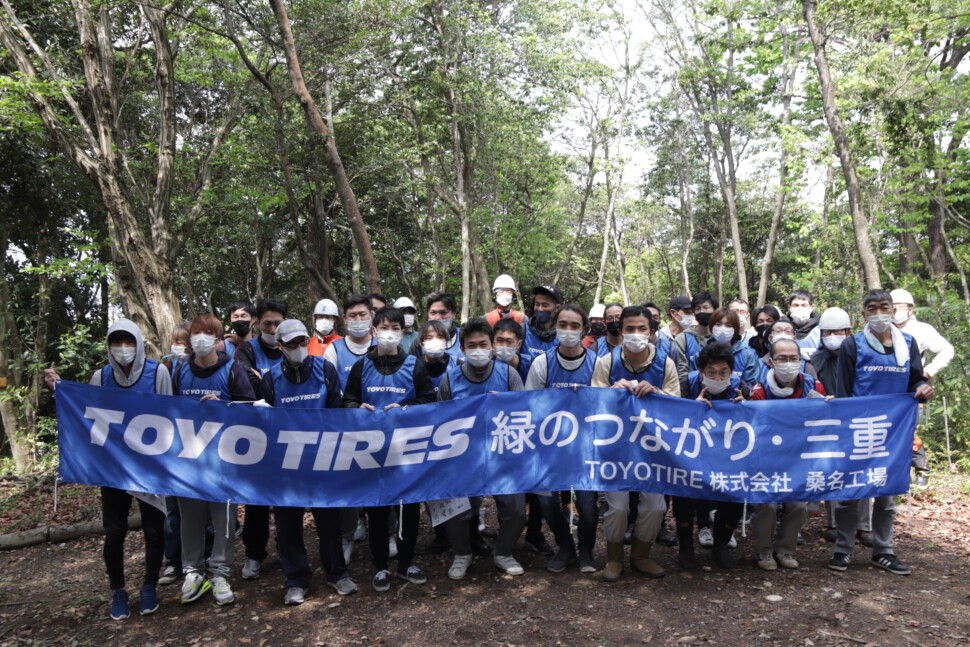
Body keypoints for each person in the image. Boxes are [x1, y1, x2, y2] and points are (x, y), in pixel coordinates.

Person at [44, 319, 171, 620]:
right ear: (109, 345)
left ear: (139, 343)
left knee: (154, 530)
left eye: (129, 341)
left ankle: (150, 586)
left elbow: (172, 414)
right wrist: (59, 390)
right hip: (113, 468)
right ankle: (118, 590)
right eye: (117, 341)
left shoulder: (158, 373)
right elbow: (84, 416)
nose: (123, 348)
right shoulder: (100, 377)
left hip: (150, 467)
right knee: (115, 532)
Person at [828, 289, 934, 576]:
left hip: (894, 433)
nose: (879, 314)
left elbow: (915, 381)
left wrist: (923, 390)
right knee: (851, 492)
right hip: (859, 430)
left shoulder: (908, 343)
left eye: (884, 307)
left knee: (888, 494)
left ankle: (883, 551)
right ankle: (843, 548)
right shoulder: (853, 345)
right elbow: (844, 391)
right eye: (872, 308)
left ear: (894, 309)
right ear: (863, 313)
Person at [259, 319, 357, 604]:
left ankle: (338, 573)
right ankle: (296, 579)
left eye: (302, 341)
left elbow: (336, 413)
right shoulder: (270, 379)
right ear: (280, 347)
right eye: (291, 344)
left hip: (322, 460)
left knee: (329, 521)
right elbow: (265, 423)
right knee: (288, 524)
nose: (299, 348)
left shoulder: (324, 369)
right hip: (286, 465)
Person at [342, 307, 436, 592]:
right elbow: (347, 400)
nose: (388, 332)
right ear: (374, 330)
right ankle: (380, 566)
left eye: (394, 327)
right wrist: (358, 408)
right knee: (377, 510)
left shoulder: (414, 364)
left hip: (407, 450)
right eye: (383, 326)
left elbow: (429, 401)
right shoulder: (362, 366)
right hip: (372, 452)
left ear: (402, 331)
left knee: (408, 509)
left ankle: (406, 563)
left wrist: (406, 408)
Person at [172, 314, 257, 606]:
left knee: (224, 519)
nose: (201, 338)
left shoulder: (232, 369)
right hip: (188, 461)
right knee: (190, 520)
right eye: (197, 332)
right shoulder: (178, 371)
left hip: (223, 463)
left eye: (209, 333)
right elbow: (164, 411)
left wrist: (223, 408)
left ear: (219, 339)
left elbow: (249, 409)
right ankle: (193, 571)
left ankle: (220, 572)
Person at [593, 305, 680, 581]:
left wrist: (657, 393)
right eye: (629, 328)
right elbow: (592, 402)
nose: (635, 334)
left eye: (641, 328)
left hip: (654, 450)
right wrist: (611, 392)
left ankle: (642, 556)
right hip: (616, 447)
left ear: (652, 332)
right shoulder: (606, 362)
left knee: (655, 507)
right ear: (621, 331)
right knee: (617, 507)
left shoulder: (665, 363)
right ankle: (614, 558)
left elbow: (677, 406)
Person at [437, 318, 527, 579]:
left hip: (503, 454)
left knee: (515, 509)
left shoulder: (508, 374)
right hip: (463, 457)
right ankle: (462, 553)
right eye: (471, 345)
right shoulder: (450, 379)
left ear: (492, 347)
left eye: (483, 344)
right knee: (459, 509)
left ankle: (503, 553)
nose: (478, 349)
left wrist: (506, 405)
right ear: (462, 350)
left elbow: (523, 412)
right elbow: (440, 419)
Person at [524, 305, 595, 573]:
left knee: (587, 504)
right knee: (546, 500)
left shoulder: (595, 363)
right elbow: (530, 406)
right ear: (555, 326)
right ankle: (565, 547)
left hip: (586, 447)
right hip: (548, 448)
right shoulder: (542, 362)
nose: (568, 330)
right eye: (562, 324)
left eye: (574, 325)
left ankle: (586, 549)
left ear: (584, 329)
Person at [748, 338, 826, 570]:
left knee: (798, 505)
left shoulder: (814, 386)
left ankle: (786, 549)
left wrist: (828, 405)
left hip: (800, 460)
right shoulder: (759, 391)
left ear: (801, 361)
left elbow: (823, 421)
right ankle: (763, 551)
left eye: (794, 358)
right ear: (771, 362)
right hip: (767, 461)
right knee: (767, 505)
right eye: (782, 358)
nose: (788, 362)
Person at [675, 343, 746, 570]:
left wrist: (747, 407)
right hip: (691, 454)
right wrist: (690, 409)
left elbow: (756, 422)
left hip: (727, 456)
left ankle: (721, 545)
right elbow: (671, 418)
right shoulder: (686, 385)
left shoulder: (740, 388)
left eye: (723, 372)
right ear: (701, 370)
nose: (717, 377)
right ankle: (685, 545)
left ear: (732, 371)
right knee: (683, 490)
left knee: (734, 491)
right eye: (711, 372)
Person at [809, 307, 872, 545]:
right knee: (833, 470)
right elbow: (810, 388)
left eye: (839, 331)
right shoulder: (815, 360)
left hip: (858, 419)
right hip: (829, 421)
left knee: (861, 469)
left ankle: (864, 526)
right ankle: (834, 522)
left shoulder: (862, 354)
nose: (833, 335)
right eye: (828, 331)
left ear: (848, 332)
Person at [891, 288, 955, 487]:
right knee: (889, 431)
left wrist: (927, 372)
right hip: (887, 388)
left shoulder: (922, 330)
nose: (896, 311)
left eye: (900, 307)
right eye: (892, 307)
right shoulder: (880, 329)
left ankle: (922, 470)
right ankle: (897, 472)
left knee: (907, 430)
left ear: (910, 310)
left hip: (912, 389)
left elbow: (947, 349)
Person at [235, 298, 286, 397]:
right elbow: (248, 385)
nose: (273, 330)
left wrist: (263, 380)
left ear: (285, 322)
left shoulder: (294, 347)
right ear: (258, 323)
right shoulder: (246, 350)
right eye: (267, 324)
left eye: (278, 324)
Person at [324, 294, 376, 391]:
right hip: (346, 405)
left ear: (371, 315)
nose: (358, 319)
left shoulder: (381, 346)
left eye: (362, 314)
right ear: (345, 319)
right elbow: (330, 387)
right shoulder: (334, 350)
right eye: (352, 315)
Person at [708, 307, 759, 387]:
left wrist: (743, 394)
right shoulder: (701, 354)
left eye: (728, 325)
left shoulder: (747, 356)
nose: (723, 328)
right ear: (711, 327)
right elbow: (695, 381)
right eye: (718, 324)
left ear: (735, 329)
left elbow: (753, 385)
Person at [673, 290, 718, 378]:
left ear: (715, 310)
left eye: (706, 307)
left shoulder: (720, 337)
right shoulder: (682, 339)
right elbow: (681, 372)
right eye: (698, 308)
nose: (701, 311)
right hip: (691, 388)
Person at [407, 292, 463, 360]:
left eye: (443, 312)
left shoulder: (464, 337)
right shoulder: (419, 342)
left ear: (454, 314)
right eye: (433, 313)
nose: (438, 318)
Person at [523, 284, 562, 357]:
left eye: (545, 305)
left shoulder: (562, 336)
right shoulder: (523, 331)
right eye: (537, 304)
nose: (540, 309)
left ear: (557, 308)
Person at [493, 317, 533, 383]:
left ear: (519, 344)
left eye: (509, 341)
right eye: (499, 340)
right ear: (493, 342)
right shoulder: (487, 365)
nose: (504, 346)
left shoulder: (531, 365)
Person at [788, 288, 822, 360]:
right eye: (796, 305)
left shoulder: (820, 331)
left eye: (804, 305)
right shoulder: (782, 331)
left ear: (812, 307)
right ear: (789, 307)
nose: (799, 308)